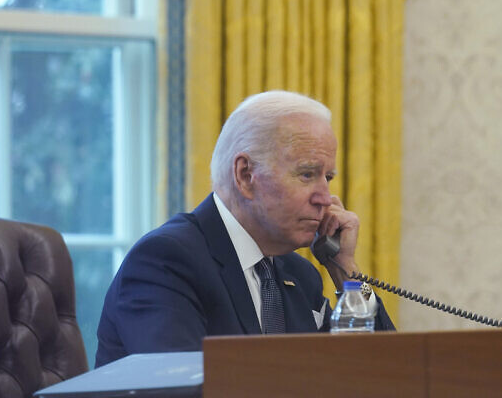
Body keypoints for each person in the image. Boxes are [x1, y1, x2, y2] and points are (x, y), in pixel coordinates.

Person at [95, 90, 395, 367]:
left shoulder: (300, 275)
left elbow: (376, 371)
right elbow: (179, 387)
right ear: (245, 174)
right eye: (306, 174)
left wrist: (345, 270)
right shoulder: (166, 261)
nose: (325, 198)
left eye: (327, 177)